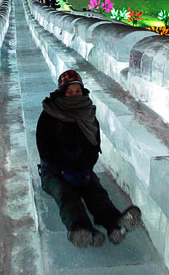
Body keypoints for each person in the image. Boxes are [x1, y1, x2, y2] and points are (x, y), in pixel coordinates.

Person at [36, 69, 142, 248]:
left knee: (96, 192)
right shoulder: (49, 114)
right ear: (62, 92)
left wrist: (85, 168)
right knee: (67, 195)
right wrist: (62, 170)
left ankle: (115, 225)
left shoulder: (87, 114)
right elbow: (45, 149)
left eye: (77, 91)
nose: (74, 95)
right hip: (53, 171)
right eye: (69, 91)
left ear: (83, 91)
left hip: (80, 169)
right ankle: (80, 228)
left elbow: (94, 146)